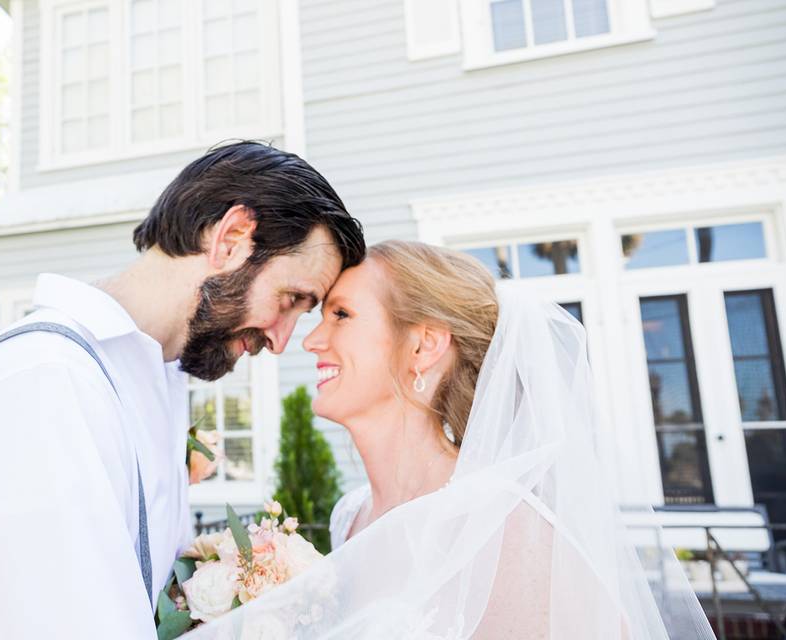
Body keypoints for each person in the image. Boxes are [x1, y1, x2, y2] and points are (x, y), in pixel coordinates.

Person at [0, 141, 365, 640]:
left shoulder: (156, 379)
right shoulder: (44, 384)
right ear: (231, 239)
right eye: (291, 299)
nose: (281, 339)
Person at [184, 240, 714, 639]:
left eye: (341, 315)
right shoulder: (353, 518)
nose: (313, 339)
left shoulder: (507, 527)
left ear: (425, 346)